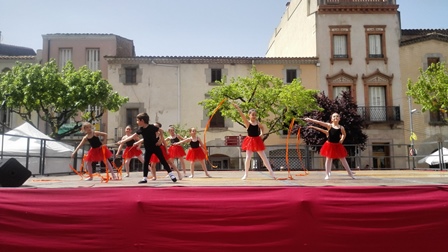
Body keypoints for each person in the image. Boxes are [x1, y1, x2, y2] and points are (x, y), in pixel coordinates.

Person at [117, 112, 177, 184]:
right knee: (146, 163)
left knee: (163, 160)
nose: (137, 122)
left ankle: (171, 175)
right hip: (148, 148)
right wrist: (122, 141)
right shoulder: (141, 129)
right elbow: (132, 136)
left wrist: (160, 141)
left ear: (142, 120)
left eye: (138, 120)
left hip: (155, 147)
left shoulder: (152, 127)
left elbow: (161, 131)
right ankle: (144, 178)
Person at [304, 113, 355, 180]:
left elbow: (344, 134)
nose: (335, 117)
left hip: (337, 145)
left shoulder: (341, 127)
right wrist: (309, 119)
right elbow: (319, 122)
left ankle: (350, 173)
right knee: (328, 159)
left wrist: (342, 139)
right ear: (331, 119)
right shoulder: (329, 125)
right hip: (330, 145)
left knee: (343, 159)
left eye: (337, 116)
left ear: (339, 118)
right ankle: (327, 174)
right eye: (334, 116)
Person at [232, 103, 275, 180]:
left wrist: (262, 133)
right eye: (253, 115)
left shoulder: (257, 123)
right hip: (250, 141)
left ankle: (271, 172)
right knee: (248, 157)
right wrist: (238, 108)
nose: (254, 116)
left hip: (257, 140)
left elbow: (262, 128)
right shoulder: (248, 123)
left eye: (255, 115)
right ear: (249, 115)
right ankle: (246, 174)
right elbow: (242, 115)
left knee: (264, 157)